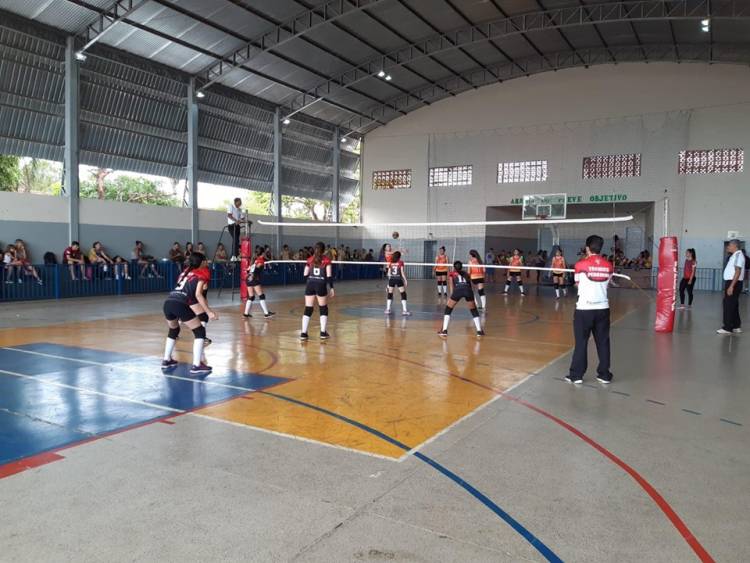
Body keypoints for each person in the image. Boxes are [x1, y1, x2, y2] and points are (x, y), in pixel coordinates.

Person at [566, 235, 614, 384]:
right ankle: (604, 374)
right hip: (602, 308)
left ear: (587, 248)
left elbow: (577, 284)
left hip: (584, 309)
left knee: (581, 342)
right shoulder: (609, 266)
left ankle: (576, 375)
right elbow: (607, 283)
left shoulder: (580, 265)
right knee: (603, 342)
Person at [161, 252, 216, 375]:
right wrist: (209, 312)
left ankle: (166, 360)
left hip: (168, 302)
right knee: (200, 331)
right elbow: (198, 294)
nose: (207, 262)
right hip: (180, 303)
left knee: (174, 330)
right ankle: (197, 365)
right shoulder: (203, 272)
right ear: (202, 262)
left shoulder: (184, 272)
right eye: (205, 260)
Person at [438, 261, 484, 338]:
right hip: (468, 291)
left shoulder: (452, 274)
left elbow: (451, 287)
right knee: (473, 310)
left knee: (448, 310)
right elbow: (471, 286)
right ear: (462, 267)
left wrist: (452, 296)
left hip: (458, 290)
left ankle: (444, 330)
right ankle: (479, 331)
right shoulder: (466, 274)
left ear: (454, 267)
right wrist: (473, 297)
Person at [301, 241, 334, 341]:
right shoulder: (326, 260)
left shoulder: (310, 259)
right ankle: (323, 332)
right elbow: (329, 276)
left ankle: (303, 333)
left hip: (310, 285)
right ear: (324, 250)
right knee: (323, 308)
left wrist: (311, 279)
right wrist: (331, 288)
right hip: (321, 285)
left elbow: (305, 274)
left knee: (308, 309)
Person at [717, 240, 745, 335]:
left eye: (729, 245)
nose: (727, 247)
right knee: (734, 305)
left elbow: (738, 271)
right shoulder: (735, 255)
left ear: (735, 246)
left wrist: (731, 286)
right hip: (734, 282)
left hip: (733, 283)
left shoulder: (738, 255)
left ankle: (727, 327)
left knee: (728, 305)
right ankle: (736, 326)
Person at [243, 247, 275, 319]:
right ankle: (266, 313)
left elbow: (248, 270)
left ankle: (246, 313)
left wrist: (251, 274)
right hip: (254, 279)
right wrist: (254, 275)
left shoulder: (254, 260)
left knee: (251, 297)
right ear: (263, 253)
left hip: (248, 279)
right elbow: (256, 269)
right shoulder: (260, 260)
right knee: (261, 296)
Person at [385, 251, 411, 316]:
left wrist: (388, 283)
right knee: (403, 294)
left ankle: (388, 309)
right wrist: (405, 280)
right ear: (399, 256)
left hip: (392, 279)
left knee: (390, 293)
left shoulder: (391, 262)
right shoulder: (400, 262)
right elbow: (402, 272)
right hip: (398, 279)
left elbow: (388, 273)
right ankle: (404, 311)